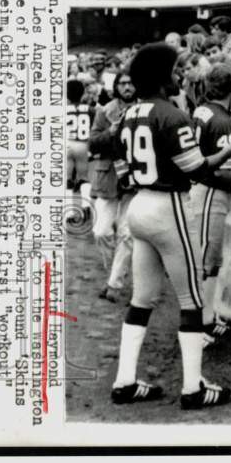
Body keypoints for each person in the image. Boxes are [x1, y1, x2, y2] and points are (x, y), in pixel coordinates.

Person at [110, 43, 231, 409]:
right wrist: (230, 152)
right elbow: (198, 170)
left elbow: (120, 163)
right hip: (167, 205)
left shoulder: (127, 114)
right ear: (160, 76)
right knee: (192, 300)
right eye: (172, 71)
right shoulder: (170, 114)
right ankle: (193, 388)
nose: (177, 77)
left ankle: (124, 380)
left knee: (142, 299)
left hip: (138, 205)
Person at [190, 64, 231, 344]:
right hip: (211, 190)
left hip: (203, 189)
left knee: (211, 258)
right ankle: (199, 323)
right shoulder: (222, 120)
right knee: (208, 259)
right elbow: (221, 170)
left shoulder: (205, 110)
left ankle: (206, 317)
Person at [88, 69, 138, 303]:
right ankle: (114, 271)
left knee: (127, 234)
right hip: (109, 176)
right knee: (101, 231)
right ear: (116, 87)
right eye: (123, 84)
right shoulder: (104, 112)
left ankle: (114, 282)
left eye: (131, 83)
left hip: (134, 177)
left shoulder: (144, 109)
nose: (127, 87)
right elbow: (93, 142)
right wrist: (109, 132)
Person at [65, 79, 94, 210]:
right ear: (82, 93)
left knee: (67, 179)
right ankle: (86, 205)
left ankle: (69, 211)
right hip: (83, 144)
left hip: (67, 144)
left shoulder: (61, 109)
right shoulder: (91, 109)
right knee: (84, 177)